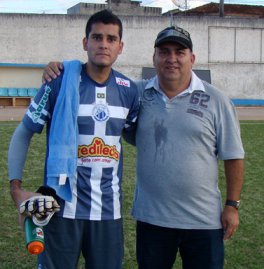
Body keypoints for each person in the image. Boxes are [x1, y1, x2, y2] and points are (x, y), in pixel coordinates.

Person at [42, 26, 245, 269]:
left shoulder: (216, 100)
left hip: (204, 221)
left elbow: (233, 156)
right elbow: (100, 78)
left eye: (179, 52)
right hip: (152, 220)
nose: (171, 59)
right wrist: (62, 68)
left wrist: (232, 205)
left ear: (192, 58)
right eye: (164, 52)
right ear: (154, 58)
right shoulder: (136, 93)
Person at [8, 9, 139, 269]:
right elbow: (23, 132)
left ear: (120, 46)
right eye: (97, 37)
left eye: (111, 39)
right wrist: (16, 190)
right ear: (85, 42)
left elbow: (138, 136)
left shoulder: (129, 91)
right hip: (60, 207)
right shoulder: (58, 81)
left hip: (107, 212)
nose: (104, 44)